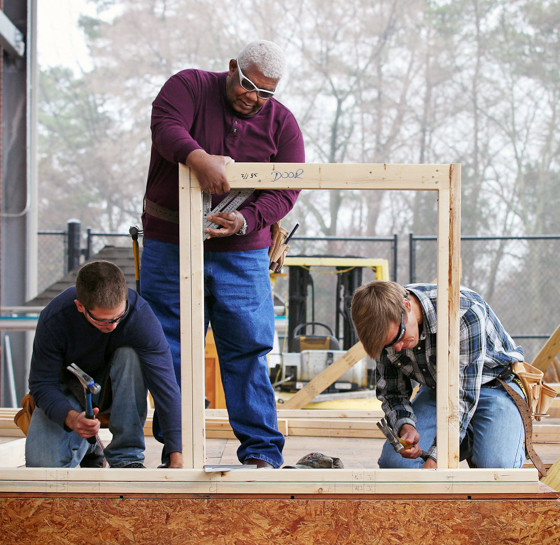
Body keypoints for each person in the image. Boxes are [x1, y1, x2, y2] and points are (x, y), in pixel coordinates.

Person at [140, 40, 305, 469]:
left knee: (248, 349)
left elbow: (288, 188)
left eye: (266, 93)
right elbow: (165, 126)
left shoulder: (282, 123)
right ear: (232, 68)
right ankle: (178, 449)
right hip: (170, 244)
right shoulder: (189, 87)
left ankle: (262, 455)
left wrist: (248, 220)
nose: (254, 98)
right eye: (248, 86)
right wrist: (198, 159)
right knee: (168, 347)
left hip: (242, 253)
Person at [351, 280, 526, 469]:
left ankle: (475, 436)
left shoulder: (462, 312)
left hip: (493, 386)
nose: (398, 347)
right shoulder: (386, 330)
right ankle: (466, 438)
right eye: (389, 345)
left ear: (407, 305)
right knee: (396, 464)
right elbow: (392, 393)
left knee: (497, 468)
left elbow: (462, 398)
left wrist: (435, 460)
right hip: (437, 390)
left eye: (399, 337)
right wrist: (406, 427)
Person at [26, 261, 182, 469]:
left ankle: (127, 457)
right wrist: (72, 419)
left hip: (118, 389)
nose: (114, 325)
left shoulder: (139, 317)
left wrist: (177, 456)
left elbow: (166, 388)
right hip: (70, 390)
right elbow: (41, 384)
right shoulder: (55, 318)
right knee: (42, 466)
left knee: (130, 355)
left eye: (119, 317)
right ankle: (90, 446)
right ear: (80, 306)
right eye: (104, 321)